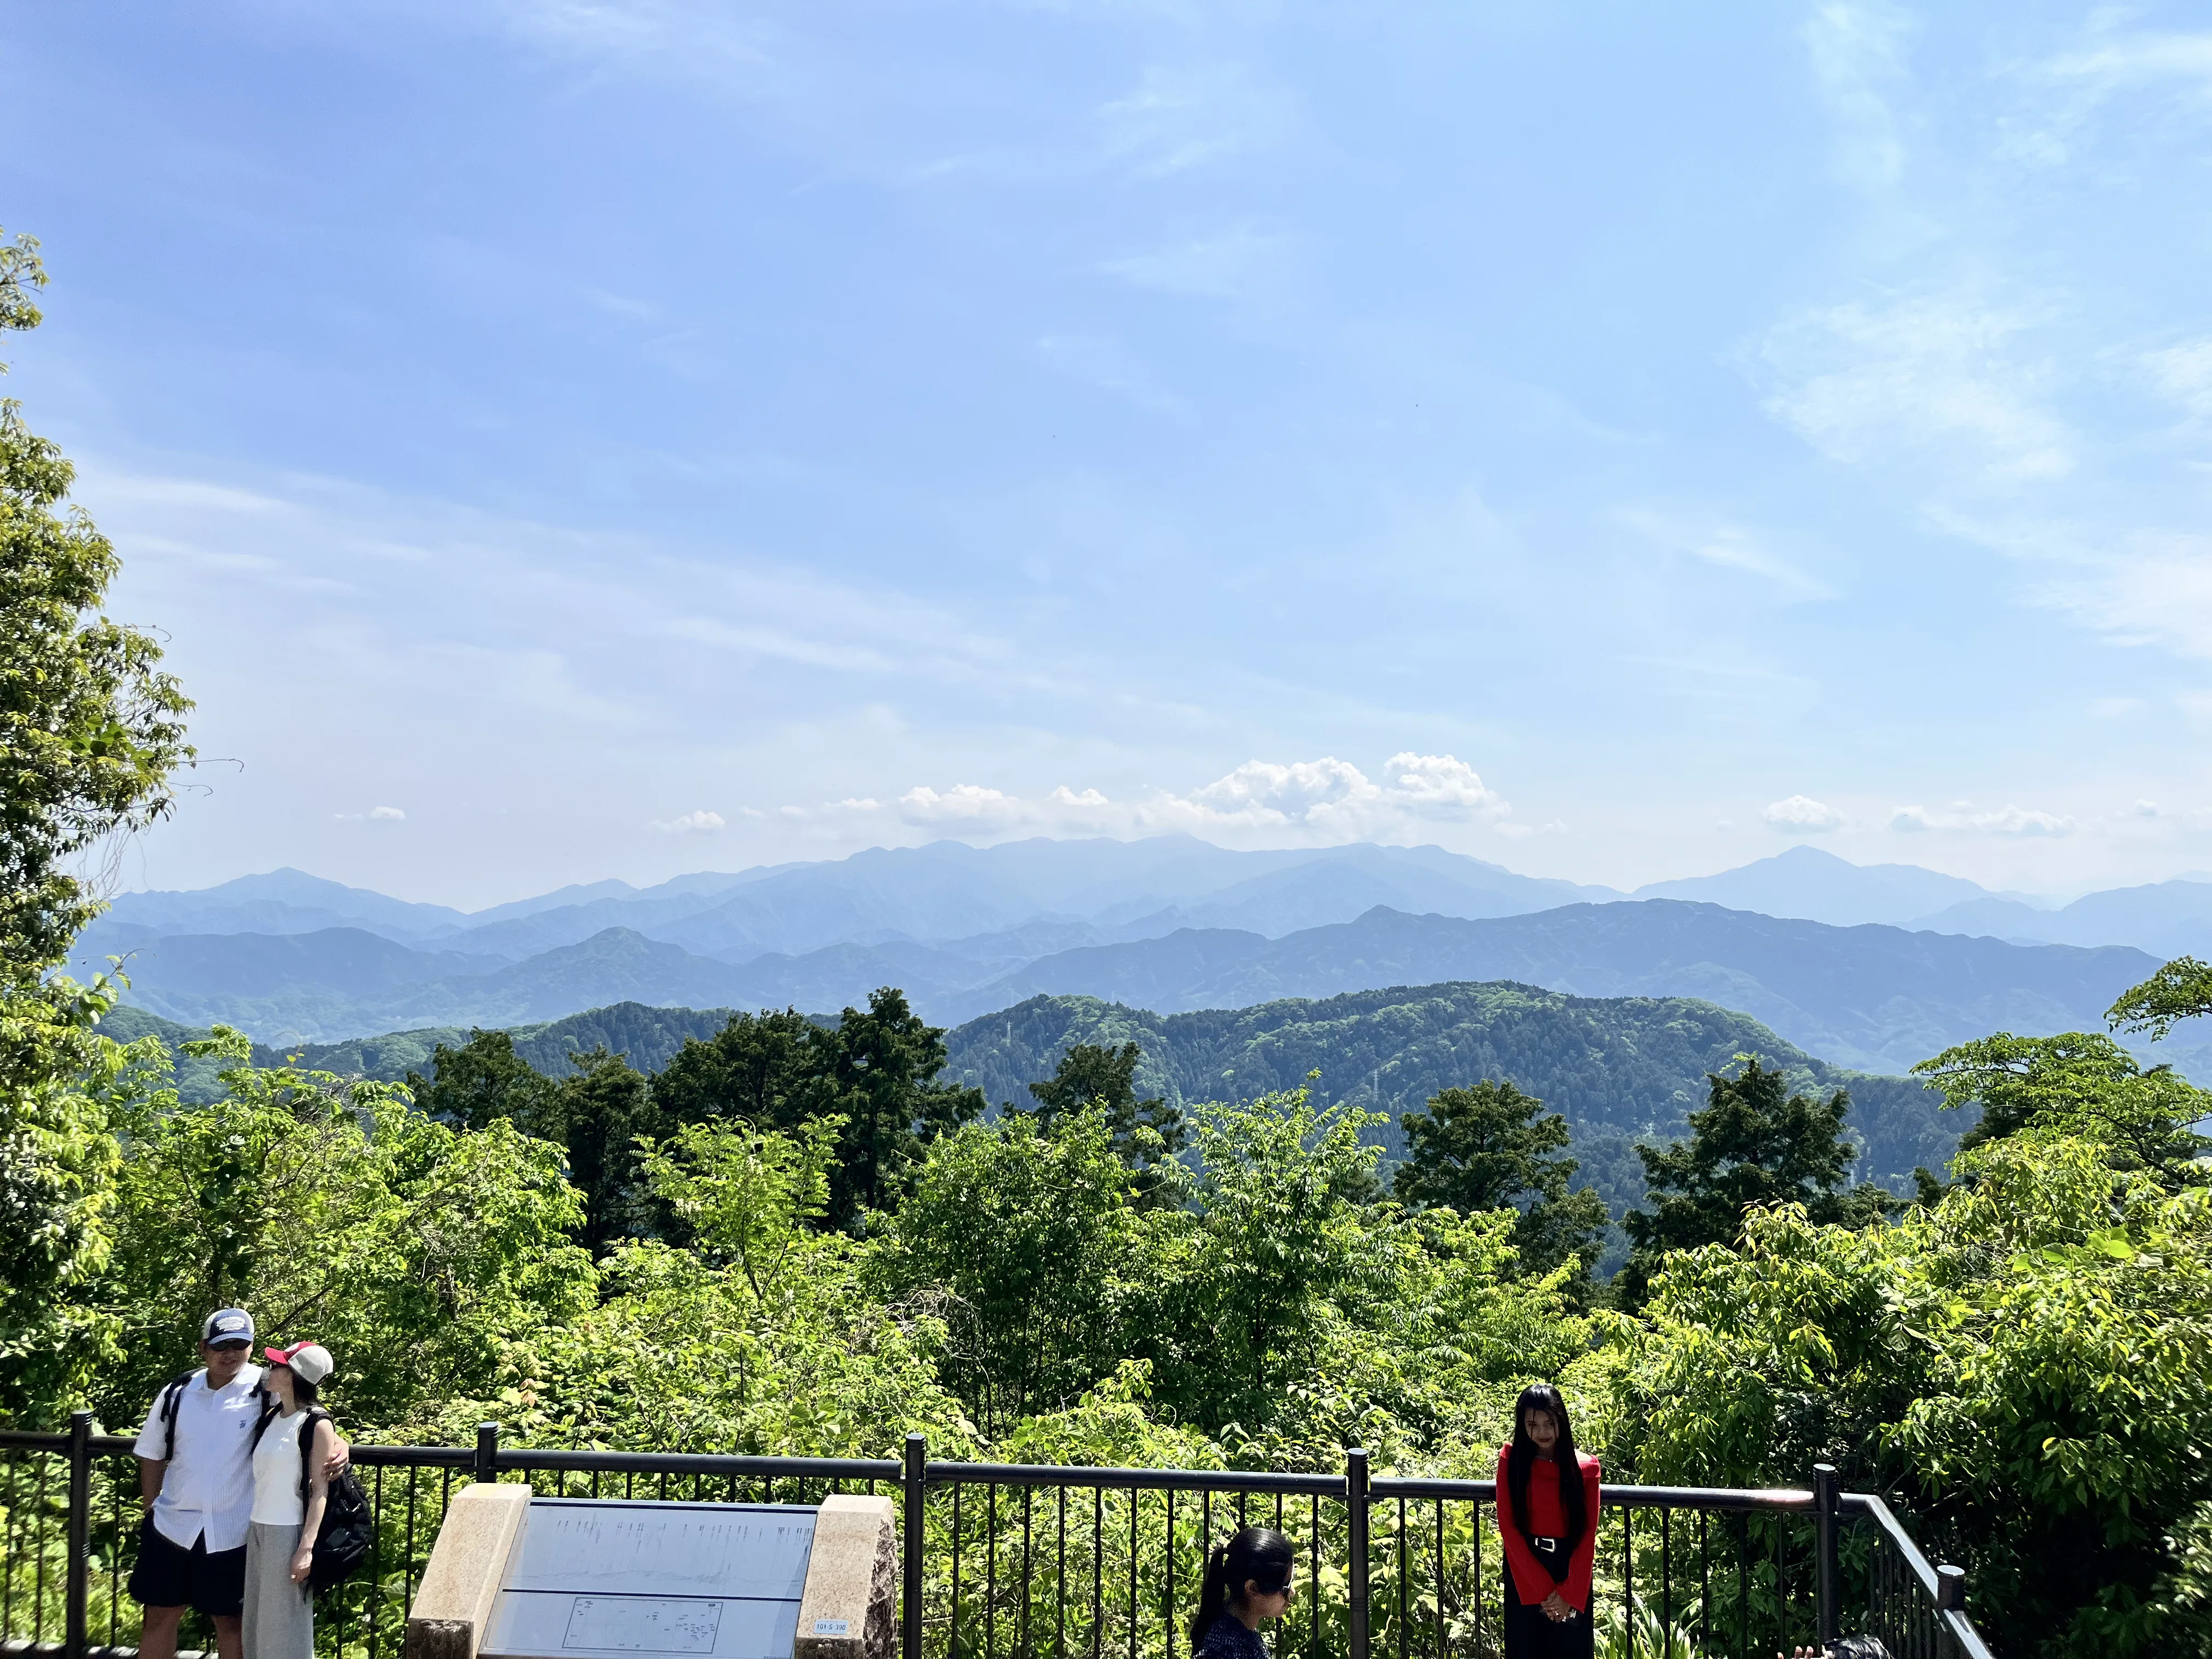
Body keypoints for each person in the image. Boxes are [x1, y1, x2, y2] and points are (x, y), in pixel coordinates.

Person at [129, 1310, 348, 1659]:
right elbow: (152, 1452)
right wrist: (150, 1506)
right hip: (172, 1524)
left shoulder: (269, 1387)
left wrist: (340, 1445)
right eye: (222, 1346)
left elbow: (310, 1419)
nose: (231, 1353)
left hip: (235, 1529)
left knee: (232, 1625)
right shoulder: (178, 1392)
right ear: (203, 1348)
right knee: (158, 1617)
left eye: (241, 1345)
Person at [242, 1342, 337, 1659]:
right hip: (258, 1526)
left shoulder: (316, 1423)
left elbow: (318, 1490)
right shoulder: (272, 1417)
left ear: (296, 1375)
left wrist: (306, 1548)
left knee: (283, 1627)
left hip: (288, 1532)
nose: (271, 1369)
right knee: (255, 1625)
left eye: (278, 1365)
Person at [1495, 1384, 1601, 1659]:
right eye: (1533, 1424)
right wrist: (1544, 1591)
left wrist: (1568, 1593)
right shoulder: (1511, 1463)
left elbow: (1588, 1532)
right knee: (1525, 1650)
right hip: (1524, 1566)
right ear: (1523, 1425)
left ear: (1561, 1422)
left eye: (1549, 1423)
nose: (1542, 1432)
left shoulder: (1586, 1469)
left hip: (1570, 1570)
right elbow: (1508, 1527)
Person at [1189, 1527, 1297, 1659]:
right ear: (1252, 1588)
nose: (1292, 1592)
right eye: (1286, 1586)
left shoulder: (1237, 1631)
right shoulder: (1227, 1648)